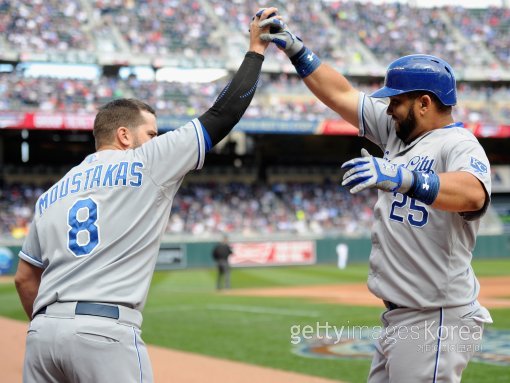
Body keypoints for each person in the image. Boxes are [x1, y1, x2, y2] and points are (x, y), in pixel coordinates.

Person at [13, 8, 276, 383]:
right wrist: (256, 49)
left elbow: (25, 279)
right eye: (151, 133)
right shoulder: (146, 161)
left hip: (42, 335)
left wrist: (51, 330)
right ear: (124, 135)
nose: (156, 139)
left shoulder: (51, 193)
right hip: (104, 332)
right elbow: (225, 113)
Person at [260, 15, 493, 383]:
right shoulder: (398, 132)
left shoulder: (459, 143)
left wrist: (403, 177)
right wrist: (298, 51)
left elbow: (472, 193)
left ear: (424, 103)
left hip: (435, 317)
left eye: (396, 101)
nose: (388, 108)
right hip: (402, 316)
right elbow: (340, 94)